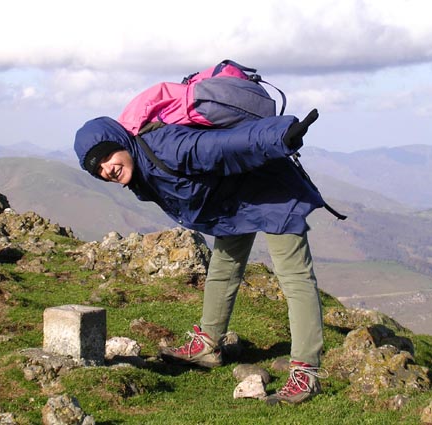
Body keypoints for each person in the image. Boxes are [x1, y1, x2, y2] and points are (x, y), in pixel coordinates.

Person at [74, 110, 327, 405]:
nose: (107, 169)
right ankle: (208, 343)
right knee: (223, 267)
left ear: (121, 142)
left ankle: (306, 373)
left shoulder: (167, 146)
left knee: (294, 277)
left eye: (106, 156)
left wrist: (277, 135)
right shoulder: (139, 169)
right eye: (98, 170)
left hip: (272, 190)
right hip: (236, 200)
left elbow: (224, 145)